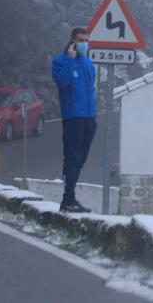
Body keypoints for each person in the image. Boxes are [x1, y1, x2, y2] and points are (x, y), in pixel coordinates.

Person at [51, 26, 97, 213]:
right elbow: (62, 82)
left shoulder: (87, 63)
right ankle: (67, 199)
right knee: (72, 156)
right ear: (72, 40)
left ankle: (70, 197)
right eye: (81, 40)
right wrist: (70, 62)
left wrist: (93, 114)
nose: (84, 44)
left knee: (81, 158)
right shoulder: (60, 61)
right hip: (73, 116)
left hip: (89, 117)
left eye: (87, 40)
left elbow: (91, 86)